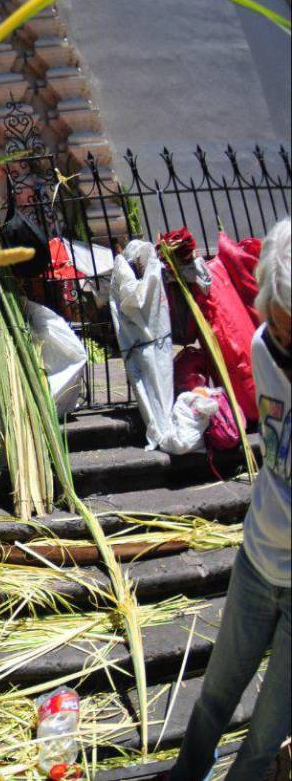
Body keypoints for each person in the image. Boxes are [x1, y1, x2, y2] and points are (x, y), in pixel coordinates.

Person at [168, 218, 291, 781]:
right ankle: (187, 772)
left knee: (268, 731)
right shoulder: (265, 347)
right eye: (280, 322)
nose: (285, 338)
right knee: (216, 690)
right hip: (258, 558)